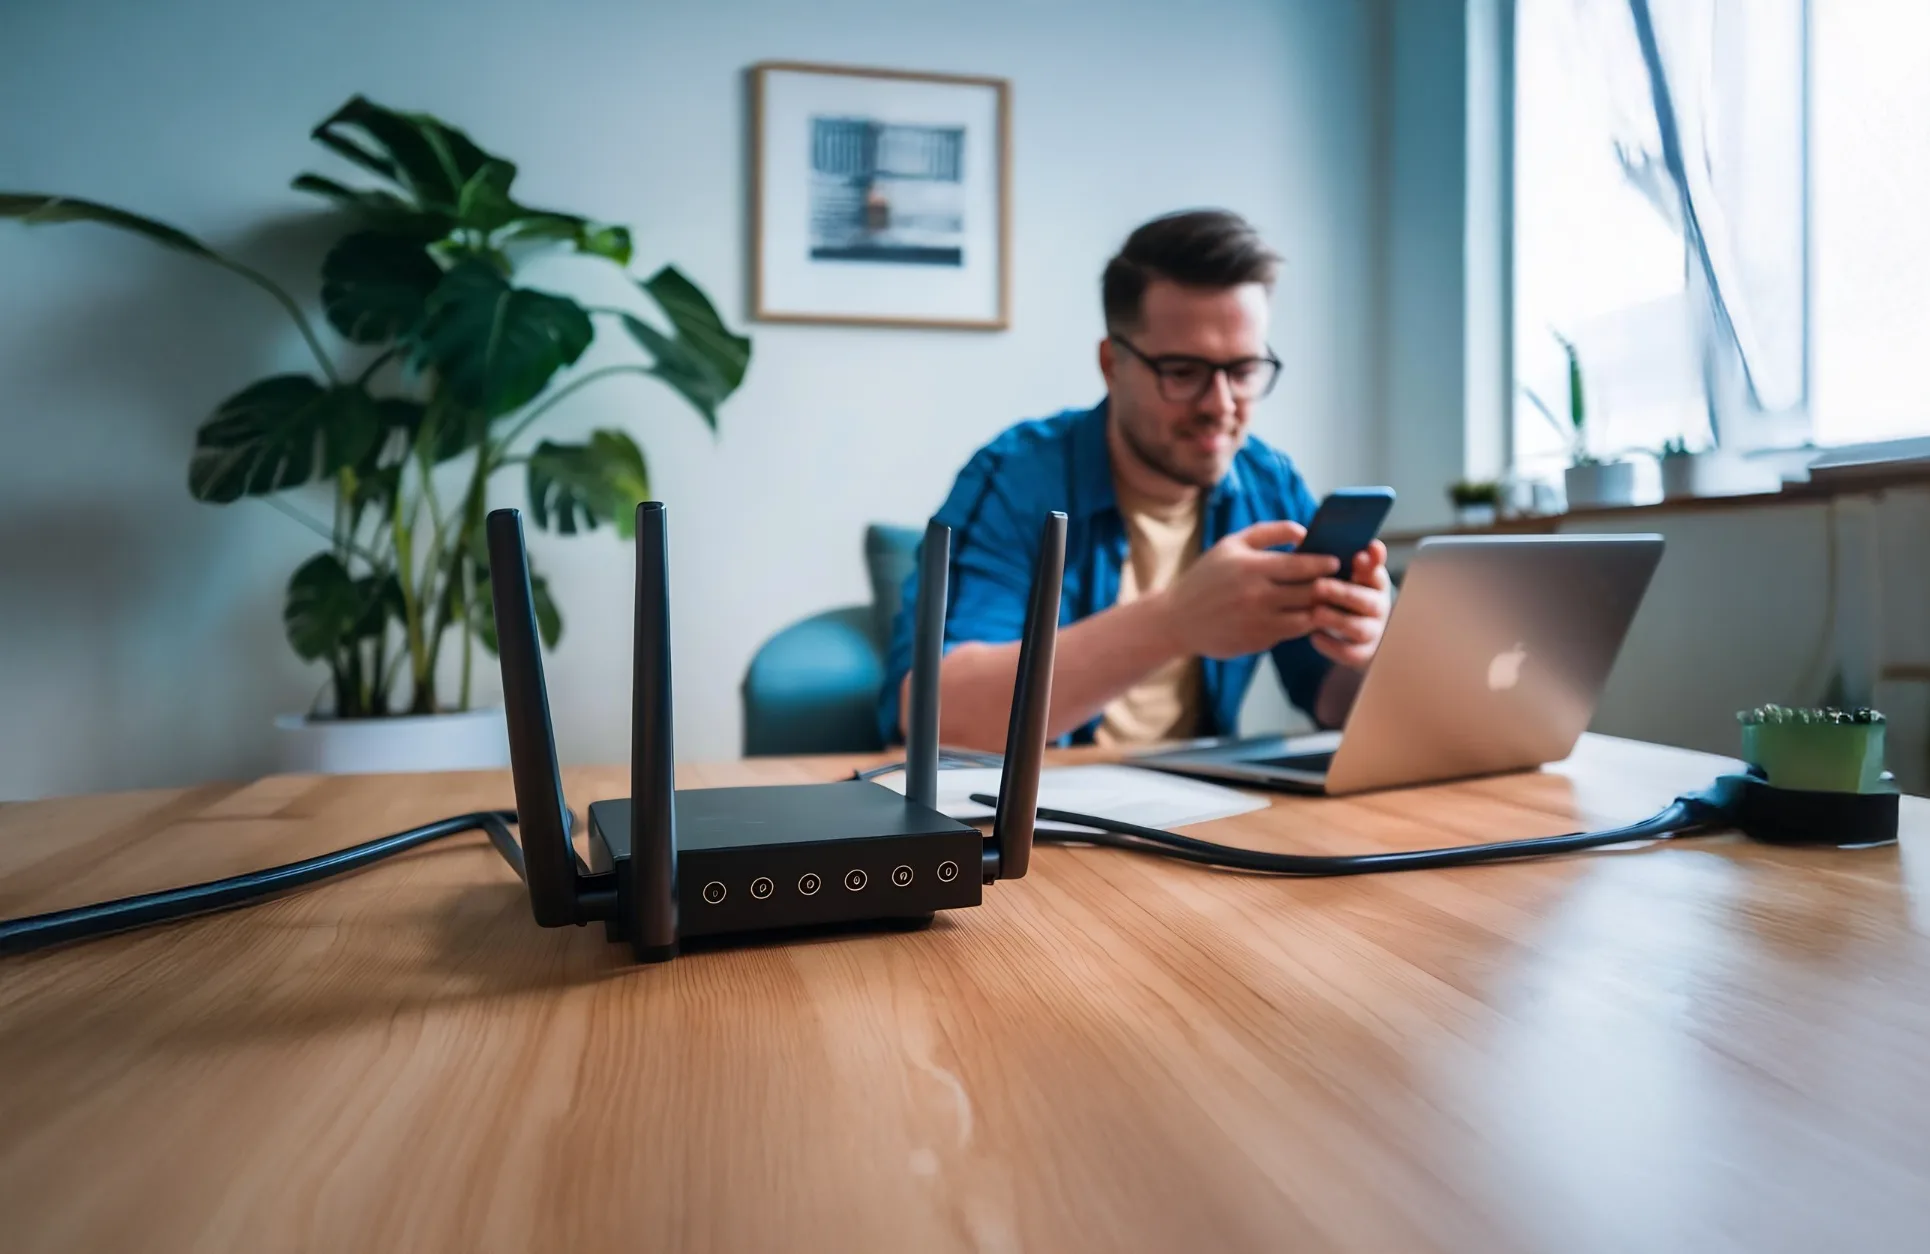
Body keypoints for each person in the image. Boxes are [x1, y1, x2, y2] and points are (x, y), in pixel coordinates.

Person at [878, 209, 1392, 751]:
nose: (1220, 406)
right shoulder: (1017, 477)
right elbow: (933, 714)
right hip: (1046, 809)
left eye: (1243, 372)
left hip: (1203, 807)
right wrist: (1174, 621)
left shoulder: (1269, 484)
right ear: (1112, 364)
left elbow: (1330, 703)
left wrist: (1367, 647)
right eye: (1183, 373)